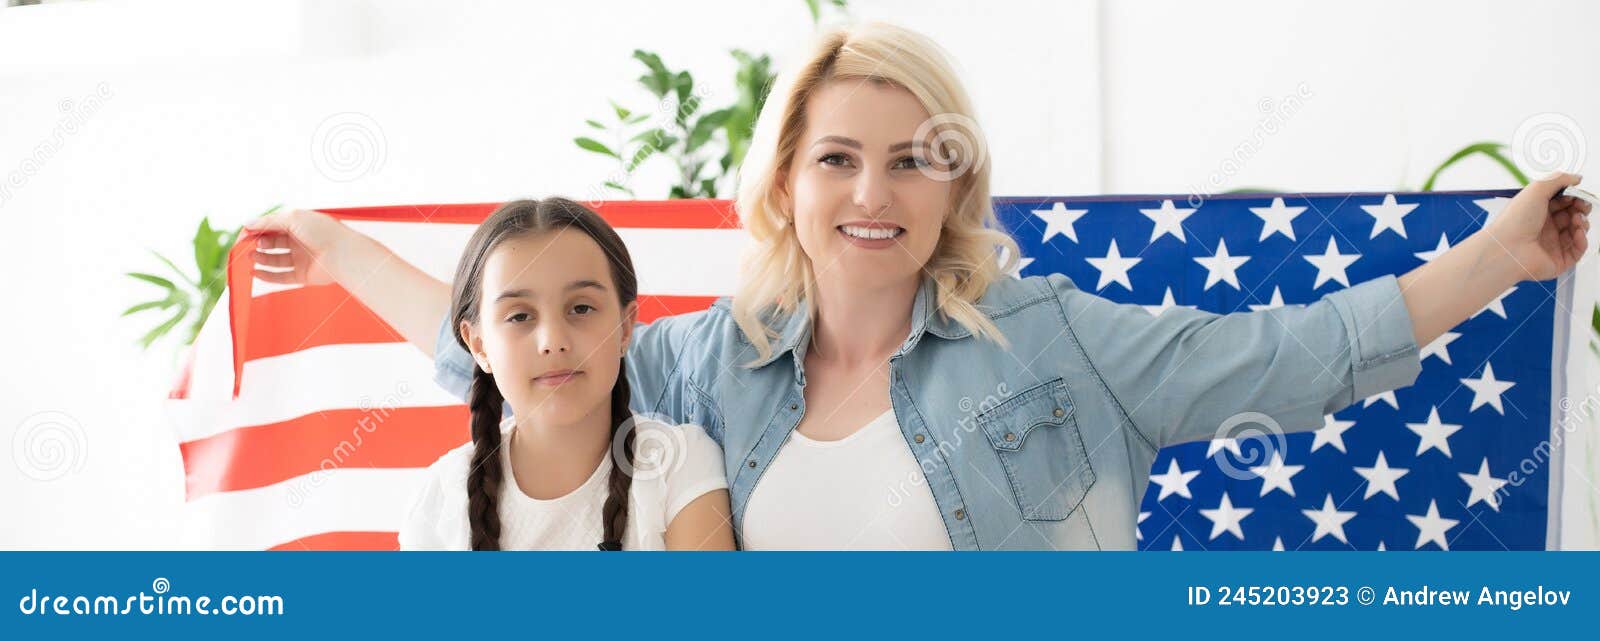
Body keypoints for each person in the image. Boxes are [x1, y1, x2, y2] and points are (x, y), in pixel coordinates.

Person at [247, 22, 1591, 550]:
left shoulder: (1056, 340)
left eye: (911, 160)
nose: (874, 193)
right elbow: (507, 356)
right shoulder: (693, 369)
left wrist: (1503, 257)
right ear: (784, 184)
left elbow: (1286, 355)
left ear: (955, 181)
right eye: (838, 159)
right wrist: (335, 243)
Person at [397, 198, 734, 550]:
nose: (553, 341)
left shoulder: (680, 463)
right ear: (478, 345)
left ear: (624, 328)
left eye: (581, 308)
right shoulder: (439, 497)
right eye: (519, 316)